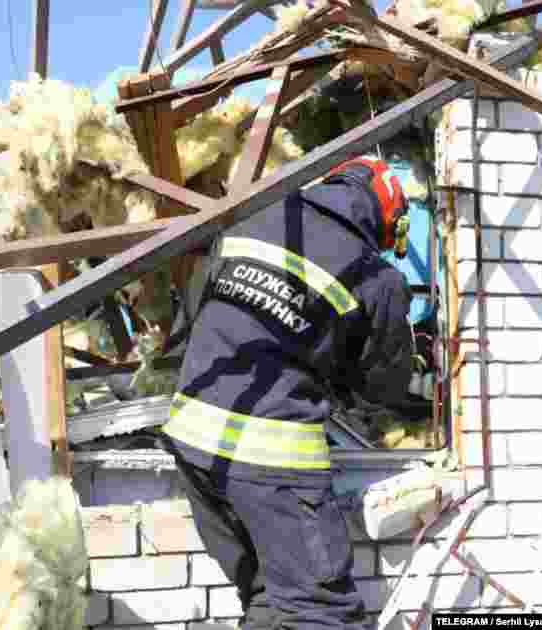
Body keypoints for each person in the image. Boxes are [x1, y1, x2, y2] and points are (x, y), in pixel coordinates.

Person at [159, 153, 418, 630]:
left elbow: (195, 310)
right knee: (323, 613)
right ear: (387, 218)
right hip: (269, 461)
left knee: (270, 600)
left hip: (192, 441)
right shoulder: (373, 275)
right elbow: (383, 387)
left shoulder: (256, 216)